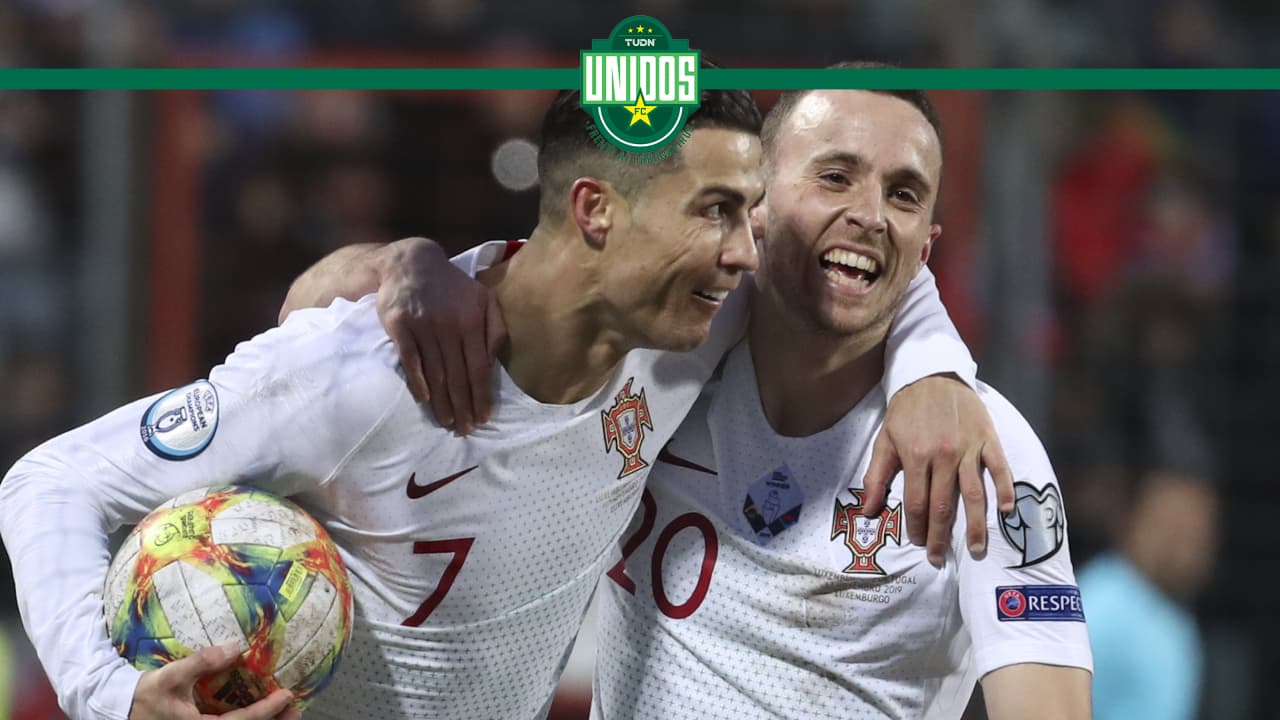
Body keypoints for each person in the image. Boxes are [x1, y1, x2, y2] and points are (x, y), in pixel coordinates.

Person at [0, 86, 996, 720]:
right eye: (716, 213)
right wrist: (110, 696)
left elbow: (854, 249)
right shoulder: (362, 371)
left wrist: (932, 370)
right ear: (595, 210)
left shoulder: (682, 327)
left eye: (749, 216)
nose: (746, 253)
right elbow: (48, 480)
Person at [322, 80, 1094, 719]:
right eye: (835, 176)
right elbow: (332, 303)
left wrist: (936, 366)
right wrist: (406, 265)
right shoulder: (658, 361)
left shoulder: (980, 449)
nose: (869, 214)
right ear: (756, 205)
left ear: (925, 244)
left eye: (903, 194)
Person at [1079, 469, 1215, 720]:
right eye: (1174, 525)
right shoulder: (1097, 608)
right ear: (1132, 520)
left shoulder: (1172, 612)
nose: (1187, 545)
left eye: (1198, 530)